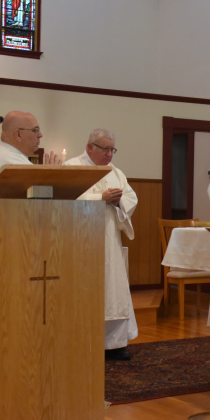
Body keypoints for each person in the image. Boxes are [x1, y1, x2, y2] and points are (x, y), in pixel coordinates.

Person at [65, 129, 139, 360]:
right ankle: (84, 341)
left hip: (109, 241)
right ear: (90, 147)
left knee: (113, 288)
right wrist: (100, 198)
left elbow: (131, 198)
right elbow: (66, 199)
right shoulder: (72, 168)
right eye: (105, 149)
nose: (109, 154)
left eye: (112, 150)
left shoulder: (116, 173)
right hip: (81, 242)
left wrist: (118, 203)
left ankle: (115, 343)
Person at [0, 111, 60, 184]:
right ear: (18, 134)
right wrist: (51, 178)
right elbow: (37, 195)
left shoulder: (1, 155)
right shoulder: (12, 163)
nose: (40, 135)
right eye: (35, 130)